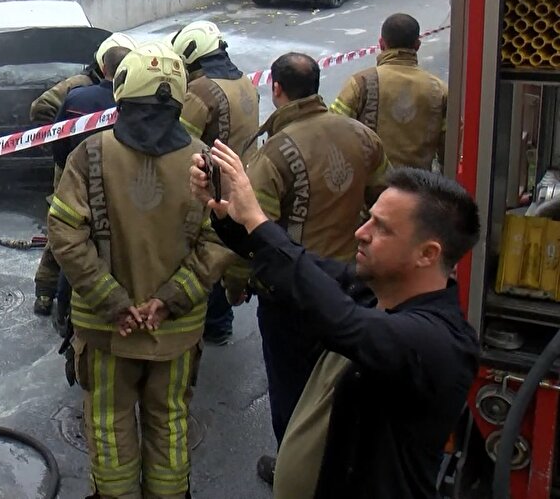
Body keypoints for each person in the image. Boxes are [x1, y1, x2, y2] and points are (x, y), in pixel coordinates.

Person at [191, 142, 479, 499]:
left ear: (427, 254)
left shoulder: (437, 342)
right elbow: (301, 268)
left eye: (382, 228)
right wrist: (229, 214)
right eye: (368, 218)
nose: (362, 232)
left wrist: (257, 220)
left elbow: (342, 321)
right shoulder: (374, 292)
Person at [47, 46, 229, 499]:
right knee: (170, 419)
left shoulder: (89, 154)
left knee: (108, 422)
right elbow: (221, 240)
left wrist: (113, 302)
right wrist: (168, 300)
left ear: (122, 91)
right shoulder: (204, 161)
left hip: (108, 330)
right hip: (176, 331)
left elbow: (65, 233)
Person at [231, 52, 390, 484]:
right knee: (341, 387)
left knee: (292, 392)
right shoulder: (363, 136)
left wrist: (236, 283)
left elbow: (252, 231)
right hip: (352, 286)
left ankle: (293, 471)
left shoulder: (275, 153)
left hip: (293, 296)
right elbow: (383, 201)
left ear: (276, 89)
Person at [32, 33, 139, 316]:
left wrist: (65, 160)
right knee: (77, 235)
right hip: (102, 177)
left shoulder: (80, 94)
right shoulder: (83, 87)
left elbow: (57, 137)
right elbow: (42, 108)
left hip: (73, 172)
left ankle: (49, 295)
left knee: (66, 233)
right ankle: (52, 294)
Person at [171, 20, 260, 345]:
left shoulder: (201, 90)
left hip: (211, 186)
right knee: (228, 248)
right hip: (245, 179)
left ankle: (211, 322)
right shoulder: (244, 81)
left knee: (206, 252)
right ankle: (221, 322)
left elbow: (179, 140)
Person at [330, 13, 447, 171]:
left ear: (381, 43)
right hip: (418, 182)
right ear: (417, 45)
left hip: (370, 184)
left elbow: (332, 132)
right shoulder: (439, 90)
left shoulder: (360, 83)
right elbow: (448, 148)